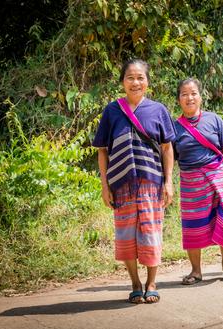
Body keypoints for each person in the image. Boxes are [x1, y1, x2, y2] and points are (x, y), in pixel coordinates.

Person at [92, 59, 175, 303]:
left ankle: (151, 282)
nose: (135, 82)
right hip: (121, 185)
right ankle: (135, 283)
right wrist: (105, 186)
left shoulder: (158, 110)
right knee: (126, 235)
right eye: (130, 77)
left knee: (151, 233)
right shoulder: (112, 111)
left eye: (140, 77)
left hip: (151, 183)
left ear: (148, 82)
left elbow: (167, 147)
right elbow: (102, 151)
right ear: (122, 82)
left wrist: (169, 181)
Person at [173, 78, 223, 285]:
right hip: (191, 183)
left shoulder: (214, 120)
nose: (190, 97)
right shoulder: (174, 128)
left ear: (201, 97)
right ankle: (196, 271)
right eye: (185, 94)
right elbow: (169, 157)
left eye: (194, 93)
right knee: (192, 225)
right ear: (179, 99)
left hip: (219, 177)